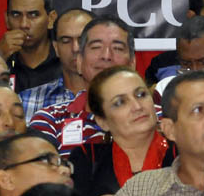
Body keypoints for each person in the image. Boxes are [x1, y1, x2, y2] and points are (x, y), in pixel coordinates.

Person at [69, 67, 175, 196]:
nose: (137, 106)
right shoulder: (88, 157)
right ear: (102, 121)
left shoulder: (182, 152)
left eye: (141, 94)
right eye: (120, 102)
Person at [29, 16, 136, 157]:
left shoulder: (155, 116)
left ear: (132, 64)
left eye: (117, 48)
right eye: (96, 47)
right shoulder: (50, 120)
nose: (106, 56)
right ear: (79, 62)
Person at [19, 9, 93, 120]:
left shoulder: (115, 97)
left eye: (82, 39)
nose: (75, 48)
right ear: (56, 48)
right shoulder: (24, 101)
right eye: (66, 41)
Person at [0, 0, 60, 94]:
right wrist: (0, 57)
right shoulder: (3, 59)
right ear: (7, 20)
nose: (24, 24)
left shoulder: (65, 59)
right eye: (16, 15)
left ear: (51, 19)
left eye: (33, 15)